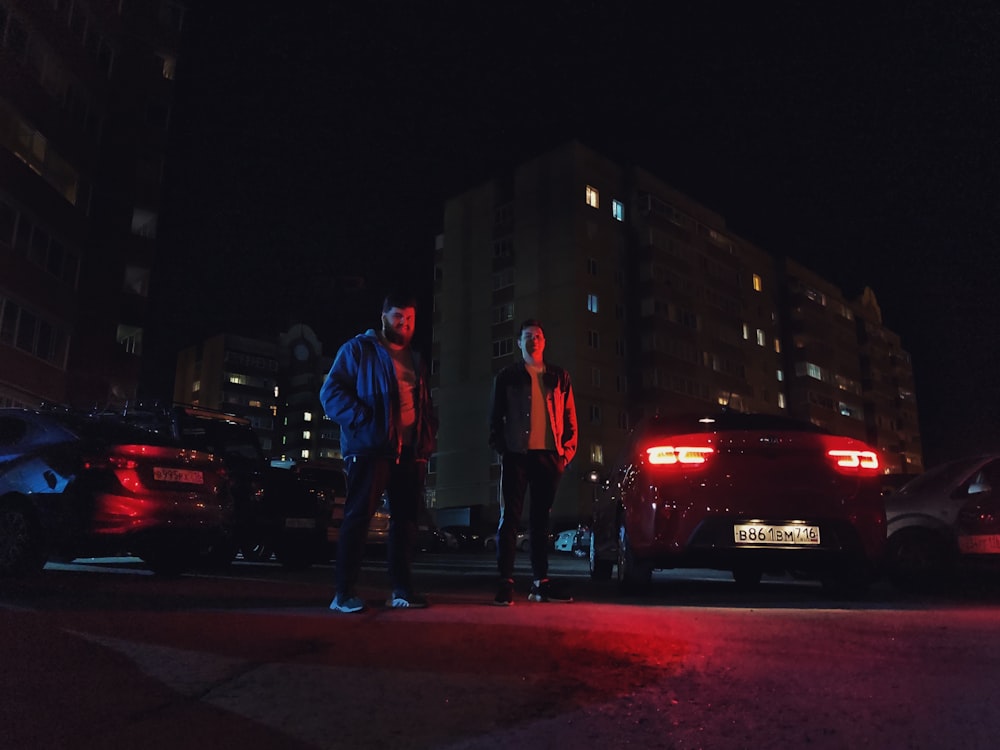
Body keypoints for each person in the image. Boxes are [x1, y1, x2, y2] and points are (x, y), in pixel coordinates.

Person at [319, 292, 437, 613]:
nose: (405, 324)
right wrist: (362, 419)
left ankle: (401, 589)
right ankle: (343, 593)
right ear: (383, 317)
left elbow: (425, 405)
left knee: (405, 522)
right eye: (399, 317)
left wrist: (427, 440)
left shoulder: (415, 359)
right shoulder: (358, 349)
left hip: (410, 453)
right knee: (358, 518)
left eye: (410, 319)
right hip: (370, 449)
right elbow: (330, 393)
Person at [488, 319, 578, 605]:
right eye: (527, 336)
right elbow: (494, 418)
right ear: (519, 343)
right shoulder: (507, 376)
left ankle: (541, 583)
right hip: (517, 454)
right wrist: (503, 449)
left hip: (549, 456)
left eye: (538, 336)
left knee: (541, 522)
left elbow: (570, 418)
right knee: (510, 520)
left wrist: (565, 454)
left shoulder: (559, 376)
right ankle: (505, 582)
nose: (533, 340)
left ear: (544, 342)